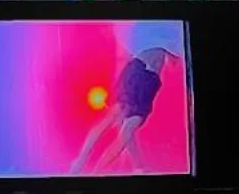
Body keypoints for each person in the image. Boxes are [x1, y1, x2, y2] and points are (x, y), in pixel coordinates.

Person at [70, 46, 175, 174]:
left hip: (145, 76)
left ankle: (94, 169)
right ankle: (84, 164)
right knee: (118, 120)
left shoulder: (158, 54)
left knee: (124, 128)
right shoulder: (156, 50)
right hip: (142, 72)